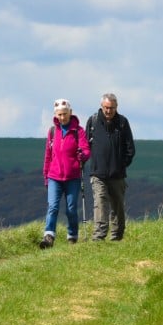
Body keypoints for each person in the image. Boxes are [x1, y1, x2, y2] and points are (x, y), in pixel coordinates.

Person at [41, 98, 90, 248]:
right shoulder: (52, 131)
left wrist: (83, 155)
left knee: (71, 209)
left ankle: (72, 236)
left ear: (70, 112)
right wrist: (46, 176)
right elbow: (48, 155)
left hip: (72, 177)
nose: (62, 117)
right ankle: (49, 235)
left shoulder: (78, 131)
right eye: (59, 115)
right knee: (53, 207)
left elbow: (86, 149)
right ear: (56, 115)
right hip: (54, 176)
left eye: (65, 114)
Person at [86, 92, 135, 241]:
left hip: (117, 174)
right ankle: (99, 236)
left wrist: (121, 164)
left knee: (117, 206)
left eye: (112, 108)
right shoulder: (93, 121)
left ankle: (117, 236)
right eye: (106, 107)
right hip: (98, 173)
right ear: (102, 106)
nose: (109, 111)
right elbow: (86, 145)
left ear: (116, 107)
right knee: (100, 203)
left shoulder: (122, 122)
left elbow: (130, 148)